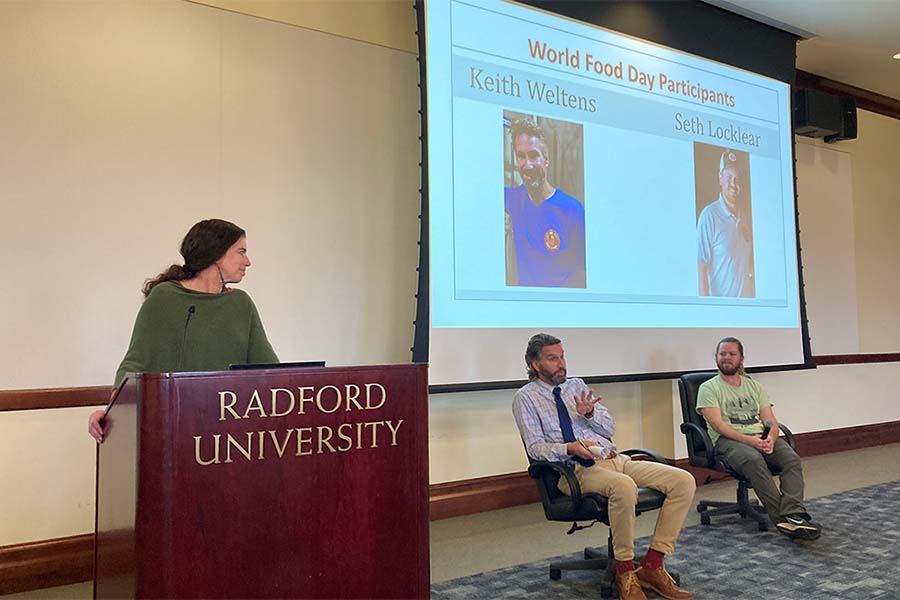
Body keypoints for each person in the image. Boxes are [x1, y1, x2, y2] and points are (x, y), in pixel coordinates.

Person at [513, 333, 695, 600]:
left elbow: (610, 428)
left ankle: (653, 566)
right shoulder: (525, 398)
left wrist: (589, 414)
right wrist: (569, 448)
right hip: (575, 470)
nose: (561, 363)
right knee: (624, 486)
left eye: (562, 356)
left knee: (684, 481)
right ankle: (624, 572)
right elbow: (535, 448)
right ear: (535, 363)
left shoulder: (576, 386)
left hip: (613, 459)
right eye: (552, 359)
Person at [88, 219, 278, 443]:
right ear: (216, 253)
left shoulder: (241, 303)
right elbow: (135, 363)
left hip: (228, 434)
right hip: (173, 429)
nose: (248, 261)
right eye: (241, 251)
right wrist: (112, 411)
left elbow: (270, 371)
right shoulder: (165, 297)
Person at [696, 337, 820, 540]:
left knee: (791, 459)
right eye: (722, 354)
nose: (726, 357)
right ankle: (783, 520)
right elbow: (719, 426)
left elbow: (770, 420)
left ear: (741, 359)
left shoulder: (755, 387)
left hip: (760, 436)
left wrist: (770, 438)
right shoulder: (708, 388)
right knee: (754, 460)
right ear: (716, 358)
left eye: (732, 354)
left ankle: (793, 513)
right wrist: (750, 441)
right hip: (728, 441)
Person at [504, 118, 586, 288]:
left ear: (546, 160)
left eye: (534, 156)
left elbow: (583, 272)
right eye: (521, 156)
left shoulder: (573, 209)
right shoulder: (513, 199)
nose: (527, 165)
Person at [697, 150, 754, 297]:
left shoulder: (744, 217)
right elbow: (701, 264)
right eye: (729, 178)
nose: (733, 184)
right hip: (720, 314)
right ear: (720, 178)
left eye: (737, 179)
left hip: (745, 313)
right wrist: (706, 309)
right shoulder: (709, 215)